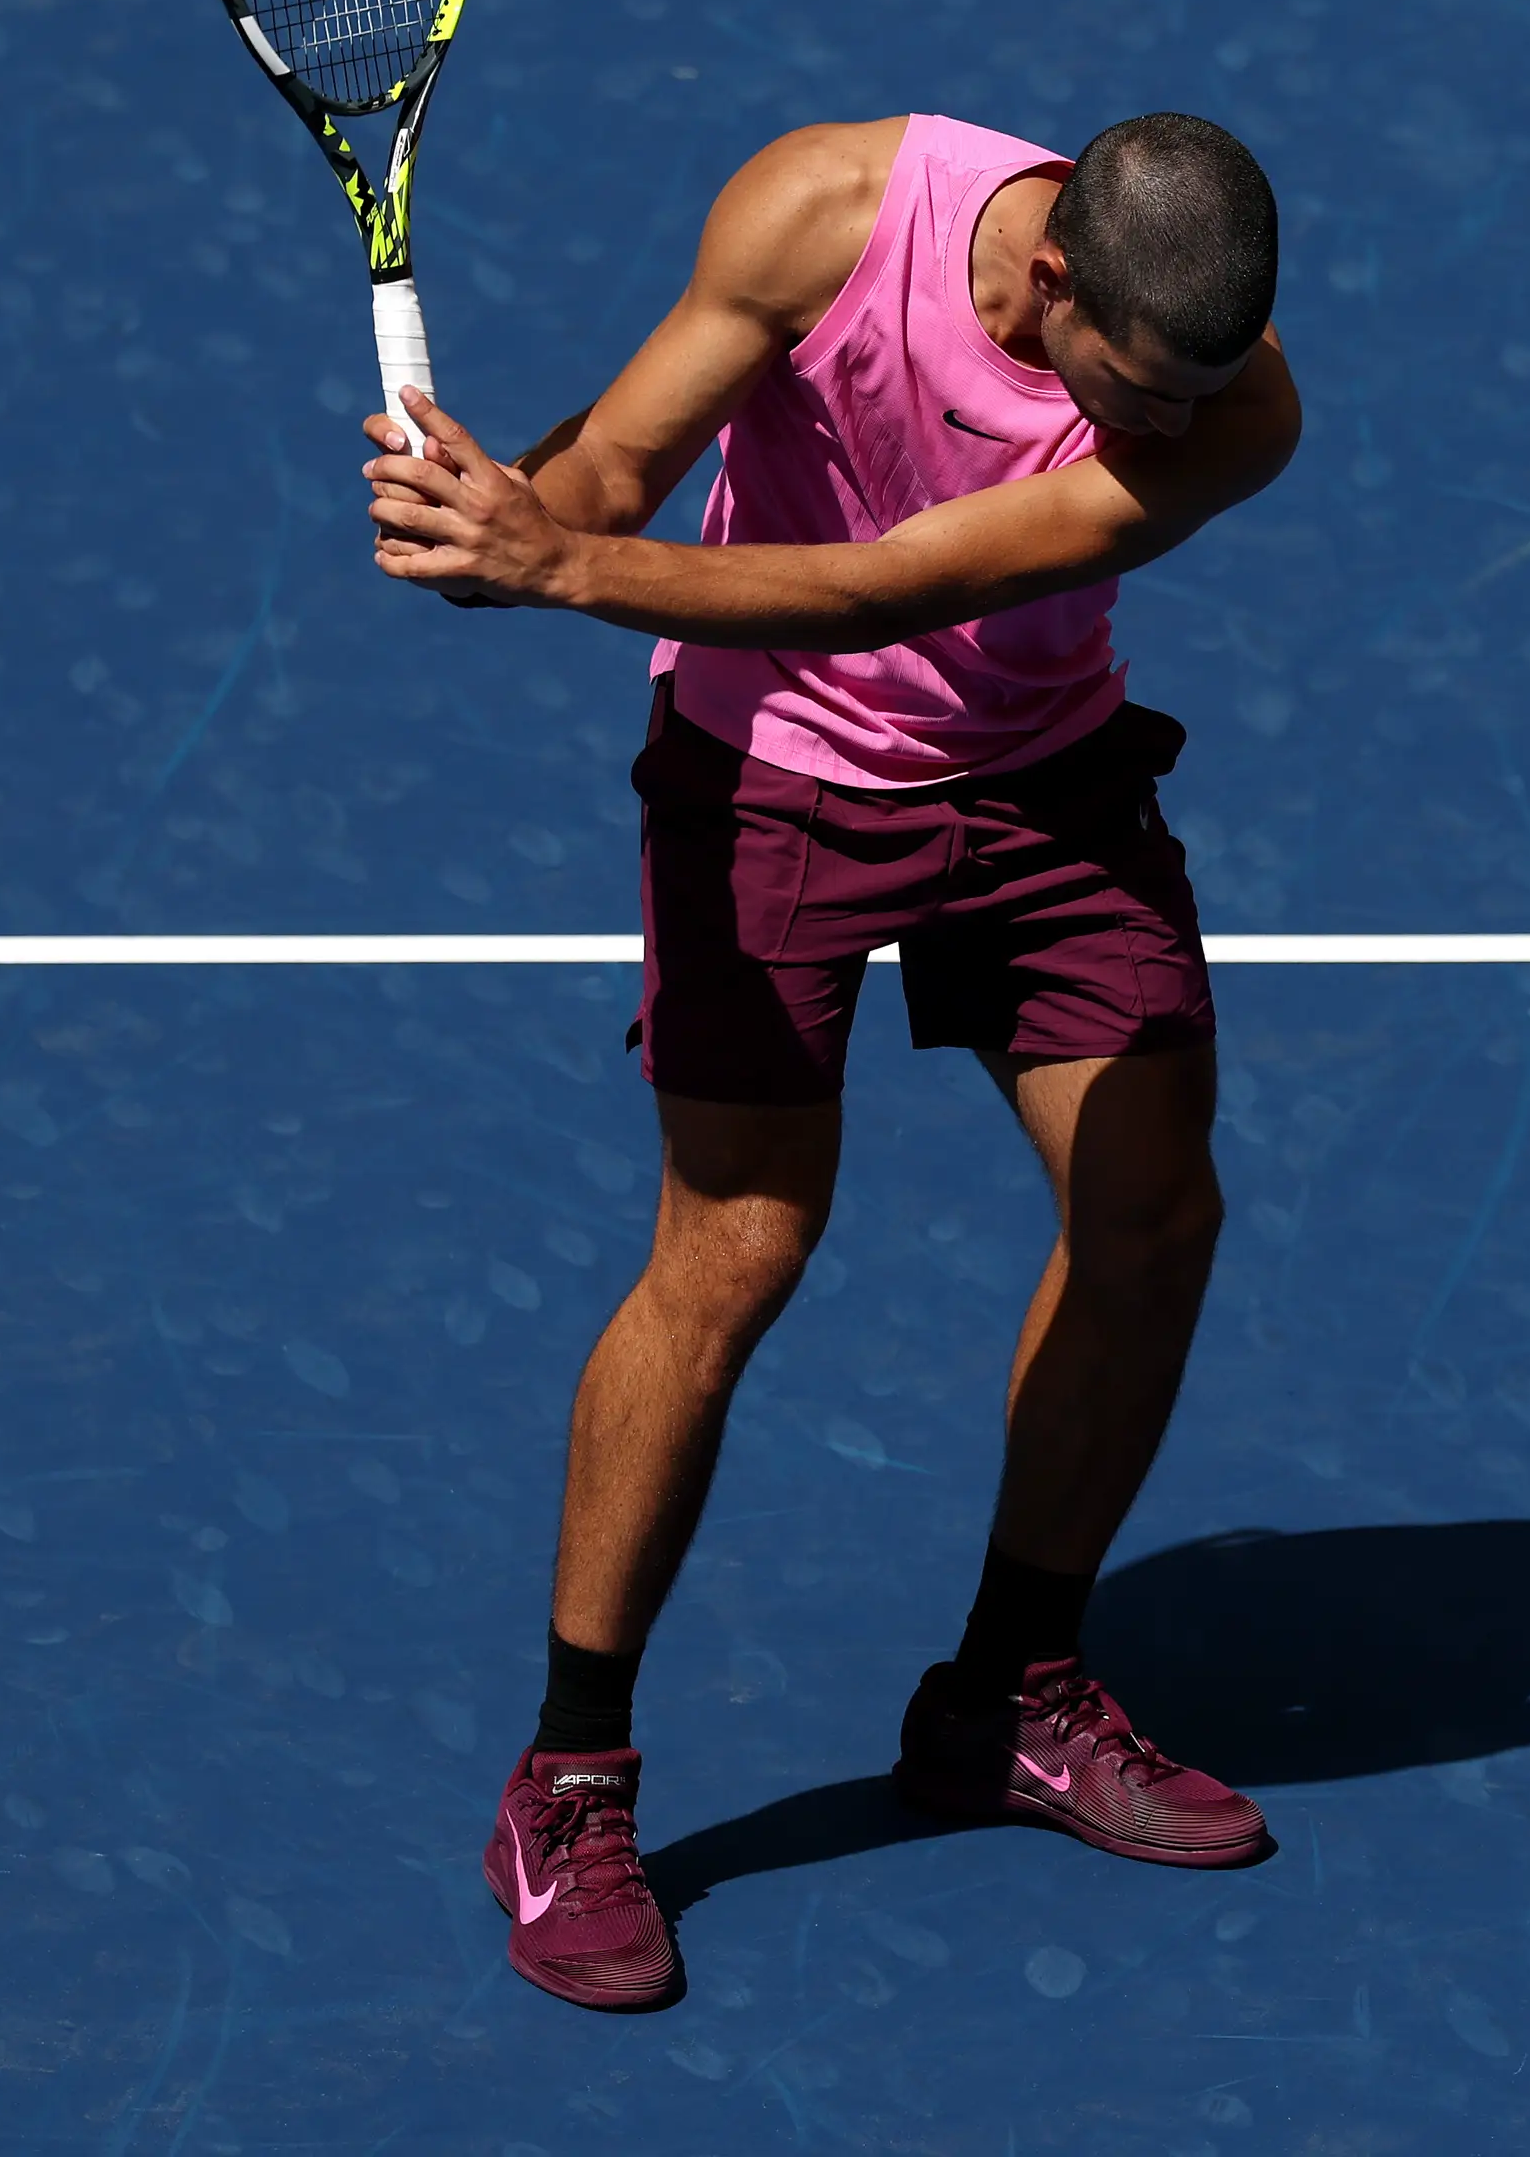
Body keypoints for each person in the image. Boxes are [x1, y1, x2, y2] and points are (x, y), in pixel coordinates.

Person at [357, 112, 1302, 2013]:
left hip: (1040, 788)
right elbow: (624, 458)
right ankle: (570, 1779)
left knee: (1153, 1216)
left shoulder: (1235, 414)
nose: (1181, 424)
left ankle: (1007, 1695)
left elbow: (893, 586)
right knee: (738, 1249)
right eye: (1143, 383)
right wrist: (513, 520)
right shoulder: (821, 214)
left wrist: (558, 575)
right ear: (1053, 280)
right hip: (768, 783)